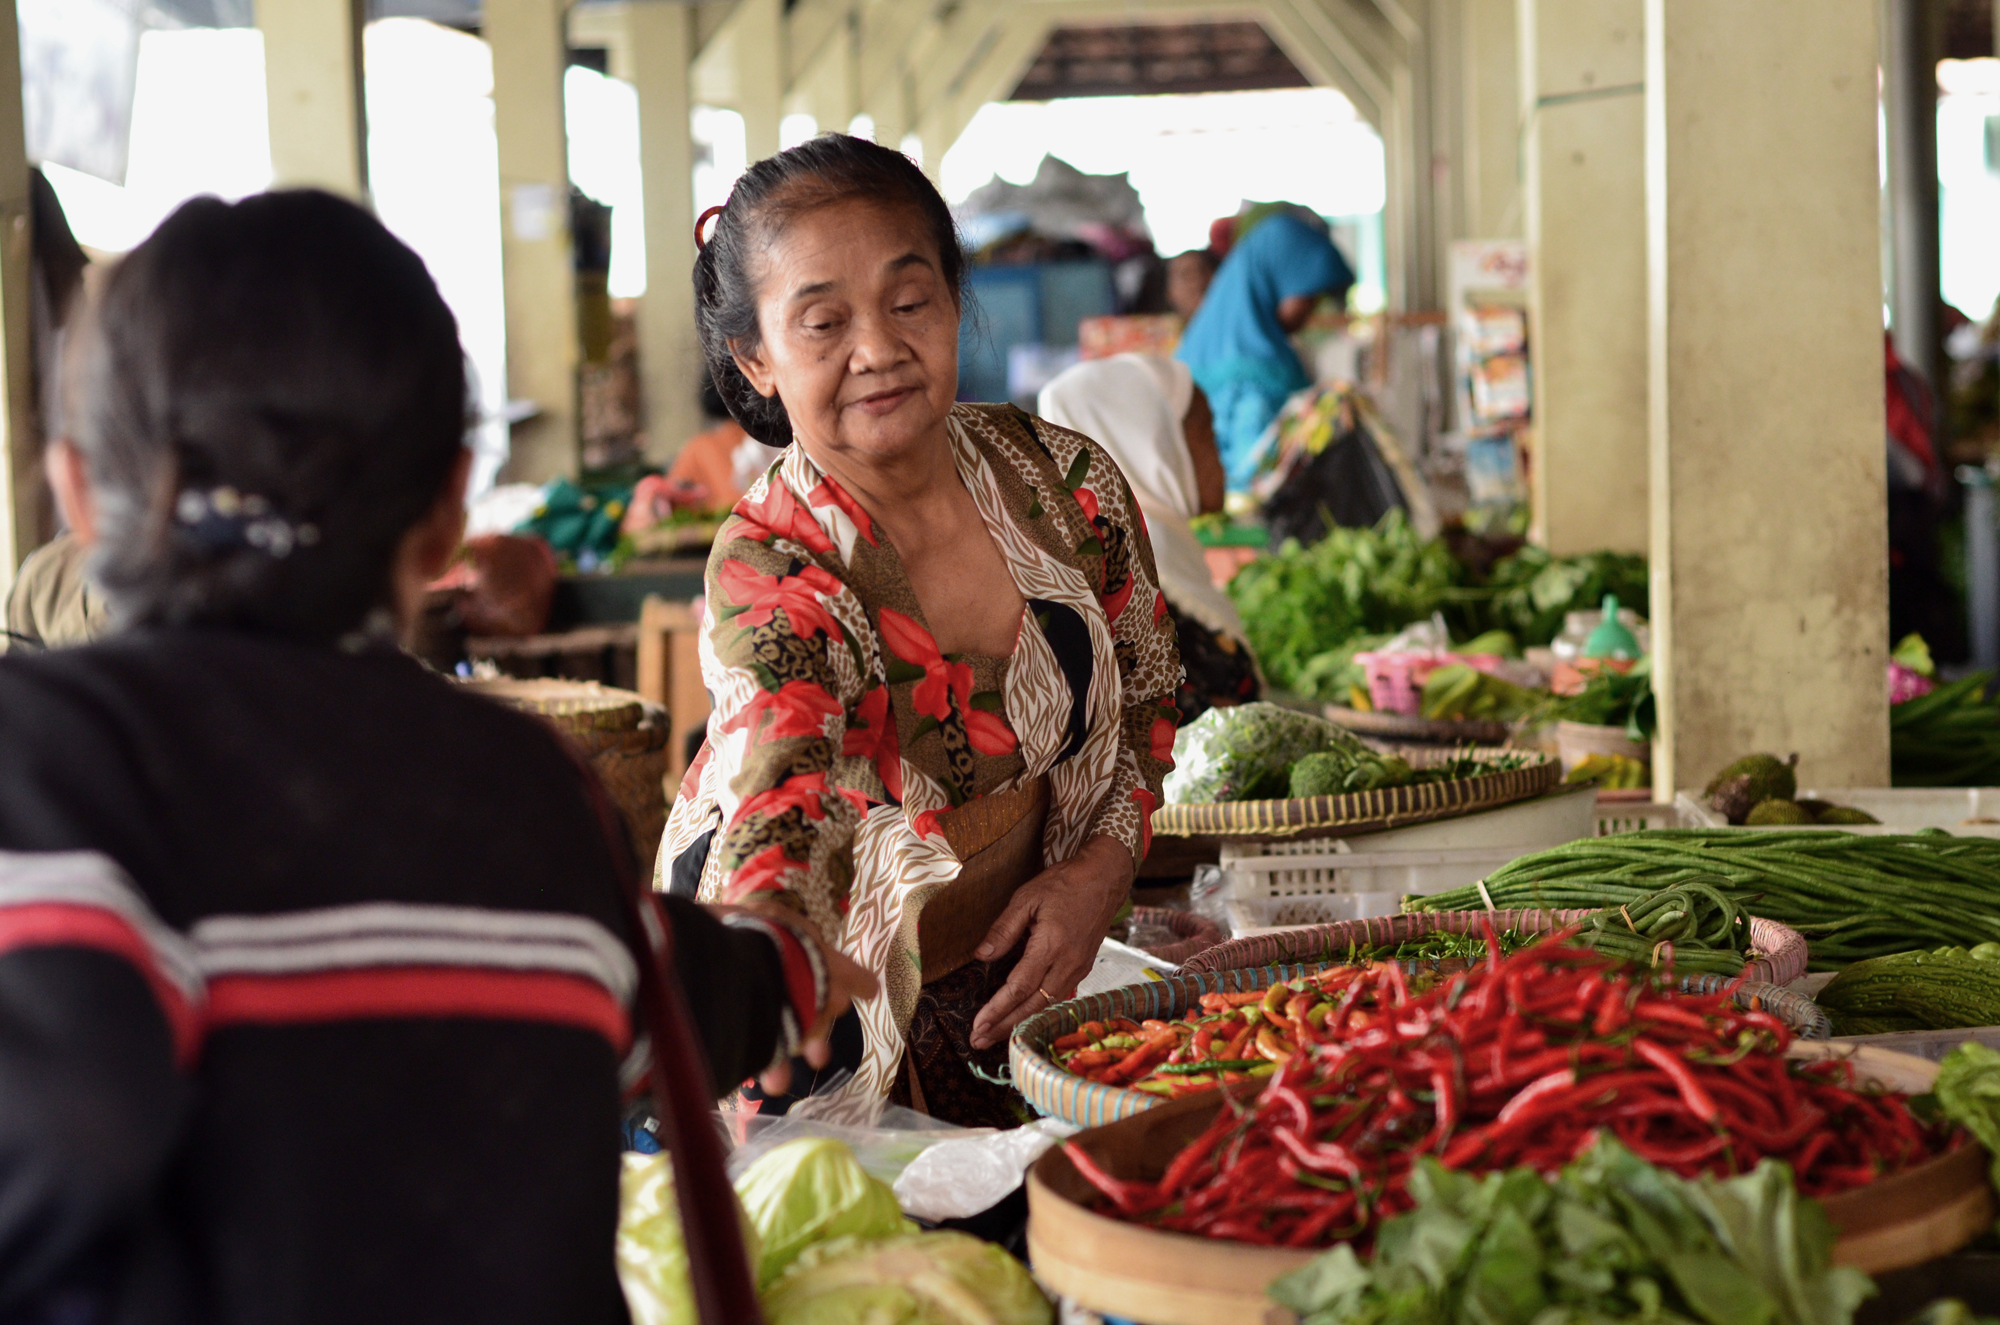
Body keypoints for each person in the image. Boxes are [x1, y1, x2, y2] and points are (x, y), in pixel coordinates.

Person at [0, 190, 872, 1324]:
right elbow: (675, 983)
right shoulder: (531, 792)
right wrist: (793, 970)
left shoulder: (42, 760)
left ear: (74, 493)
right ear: (450, 511)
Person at [661, 135, 1180, 1128]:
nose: (877, 349)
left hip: (1025, 976)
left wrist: (1098, 867)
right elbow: (783, 780)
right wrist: (768, 944)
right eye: (821, 322)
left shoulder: (1068, 486)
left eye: (908, 302)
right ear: (754, 358)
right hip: (818, 995)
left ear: (951, 302)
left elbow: (1149, 689)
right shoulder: (774, 561)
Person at [1038, 354, 1260, 724]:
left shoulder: (1156, 554)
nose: (1219, 452)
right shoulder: (1129, 578)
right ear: (1152, 443)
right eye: (1206, 429)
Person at [1175, 209, 1355, 488]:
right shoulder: (1258, 375)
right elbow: (1256, 482)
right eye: (1309, 296)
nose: (1310, 311)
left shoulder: (1202, 344)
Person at [1165, 248, 1218, 322]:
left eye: (1202, 270)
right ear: (1170, 292)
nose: (1197, 279)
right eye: (1186, 274)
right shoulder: (1152, 331)